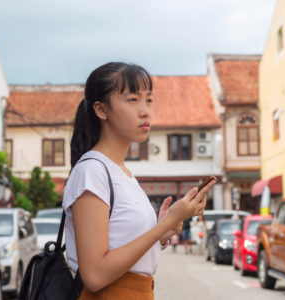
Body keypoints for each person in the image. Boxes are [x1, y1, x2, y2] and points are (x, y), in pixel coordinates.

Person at [62, 62, 215, 300]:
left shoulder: (123, 173)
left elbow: (123, 249)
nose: (145, 111)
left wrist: (162, 232)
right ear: (101, 110)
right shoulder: (92, 170)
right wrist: (165, 224)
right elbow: (94, 275)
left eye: (149, 100)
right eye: (133, 100)